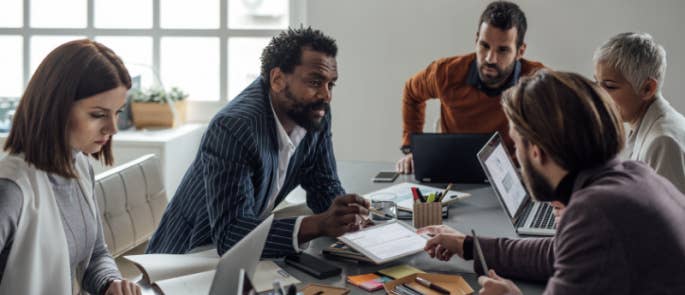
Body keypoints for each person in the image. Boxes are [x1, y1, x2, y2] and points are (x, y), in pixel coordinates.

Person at [419, 69, 685, 294]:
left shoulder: (595, 210)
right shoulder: (634, 175)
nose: (517, 161)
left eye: (517, 146)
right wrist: (467, 245)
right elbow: (556, 253)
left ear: (537, 151)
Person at [146, 27, 370, 258]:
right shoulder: (234, 127)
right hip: (189, 256)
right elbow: (231, 235)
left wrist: (346, 215)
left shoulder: (313, 111)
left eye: (330, 84)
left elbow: (323, 184)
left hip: (243, 248)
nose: (326, 95)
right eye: (315, 82)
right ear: (277, 79)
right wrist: (320, 224)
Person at [0, 40, 141, 294]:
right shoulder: (11, 189)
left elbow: (96, 254)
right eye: (98, 114)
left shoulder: (80, 166)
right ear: (56, 107)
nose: (113, 128)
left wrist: (110, 283)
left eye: (117, 112)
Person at [396, 1, 544, 173]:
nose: (490, 58)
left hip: (512, 174)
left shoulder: (537, 81)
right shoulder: (446, 73)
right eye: (484, 45)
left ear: (520, 51)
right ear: (476, 40)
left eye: (502, 50)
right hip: (452, 171)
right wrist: (412, 149)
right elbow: (411, 92)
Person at [594, 32, 685, 193]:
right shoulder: (637, 120)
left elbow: (667, 216)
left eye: (610, 86)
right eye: (597, 83)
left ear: (647, 88)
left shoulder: (662, 141)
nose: (599, 95)